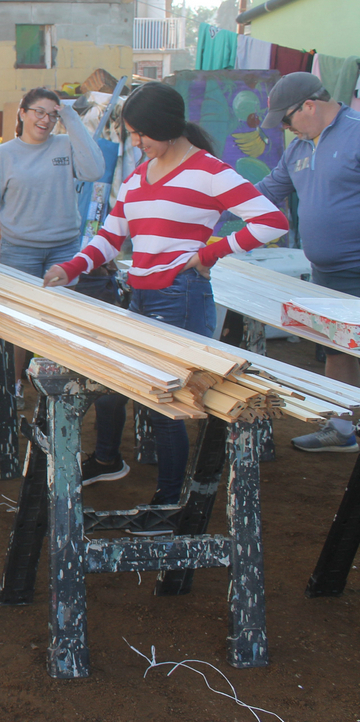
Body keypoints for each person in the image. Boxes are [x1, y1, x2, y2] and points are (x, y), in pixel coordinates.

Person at [43, 82, 288, 506]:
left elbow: (271, 221)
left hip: (180, 296)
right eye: (132, 134)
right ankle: (123, 469)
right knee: (127, 388)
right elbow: (110, 236)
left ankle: (170, 502)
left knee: (166, 405)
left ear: (167, 127)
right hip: (139, 295)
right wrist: (72, 267)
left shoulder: (209, 171)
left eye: (142, 134)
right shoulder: (139, 175)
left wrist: (208, 254)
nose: (137, 142)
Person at [0, 87, 106, 400]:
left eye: (52, 115)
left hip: (64, 250)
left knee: (58, 322)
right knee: (19, 322)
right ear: (23, 113)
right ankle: (13, 388)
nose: (45, 120)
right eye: (39, 112)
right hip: (19, 252)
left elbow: (94, 170)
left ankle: (55, 394)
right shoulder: (2, 155)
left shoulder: (65, 145)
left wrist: (70, 117)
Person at [255, 72, 360, 453]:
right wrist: (212, 201)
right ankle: (341, 428)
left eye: (287, 120)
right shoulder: (298, 149)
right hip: (325, 271)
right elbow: (267, 192)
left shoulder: (356, 133)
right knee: (335, 349)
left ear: (310, 106)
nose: (286, 129)